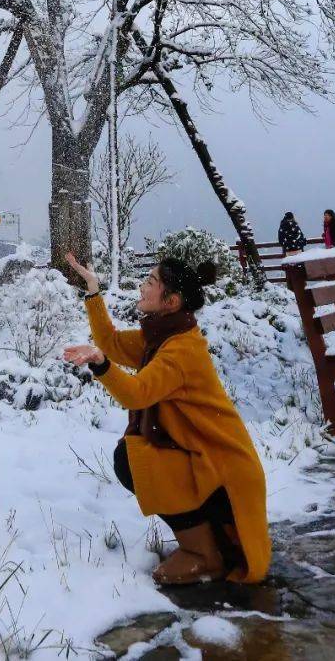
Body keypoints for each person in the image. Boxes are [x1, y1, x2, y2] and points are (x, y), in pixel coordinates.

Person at [63, 250, 271, 587]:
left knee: (134, 461)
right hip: (204, 457)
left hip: (223, 468)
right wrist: (92, 289)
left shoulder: (179, 350)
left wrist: (102, 365)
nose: (142, 287)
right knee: (132, 457)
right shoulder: (161, 337)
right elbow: (112, 342)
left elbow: (138, 393)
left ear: (171, 301)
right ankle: (207, 544)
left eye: (151, 282)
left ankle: (205, 555)